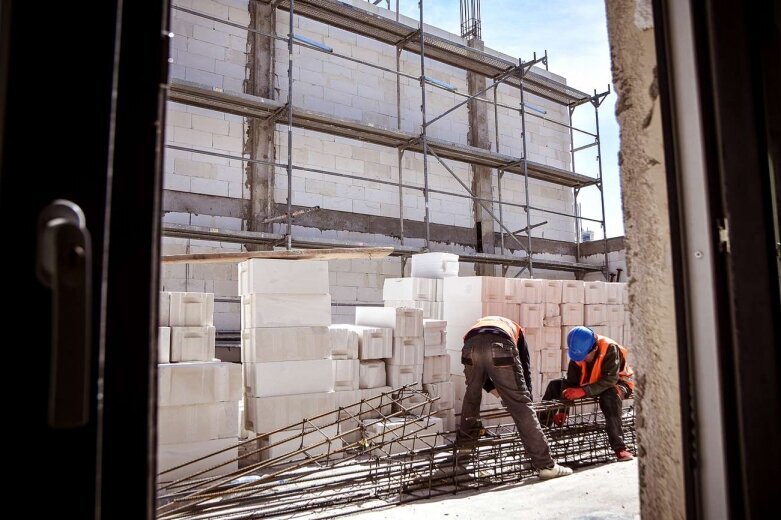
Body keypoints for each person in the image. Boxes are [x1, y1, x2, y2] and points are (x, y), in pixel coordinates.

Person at [457, 316, 573, 479]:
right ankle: (546, 465)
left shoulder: (476, 327)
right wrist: (526, 401)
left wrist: (499, 392)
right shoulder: (517, 330)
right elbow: (524, 370)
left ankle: (463, 454)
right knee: (521, 406)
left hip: (470, 346)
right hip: (500, 344)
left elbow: (480, 377)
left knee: (471, 397)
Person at [541, 326, 635, 462]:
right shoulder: (578, 353)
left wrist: (583, 391)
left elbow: (610, 379)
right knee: (554, 386)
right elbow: (571, 382)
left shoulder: (609, 348)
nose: (581, 360)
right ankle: (540, 440)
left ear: (594, 348)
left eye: (584, 357)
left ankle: (620, 448)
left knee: (610, 396)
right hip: (591, 383)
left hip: (617, 383)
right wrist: (563, 409)